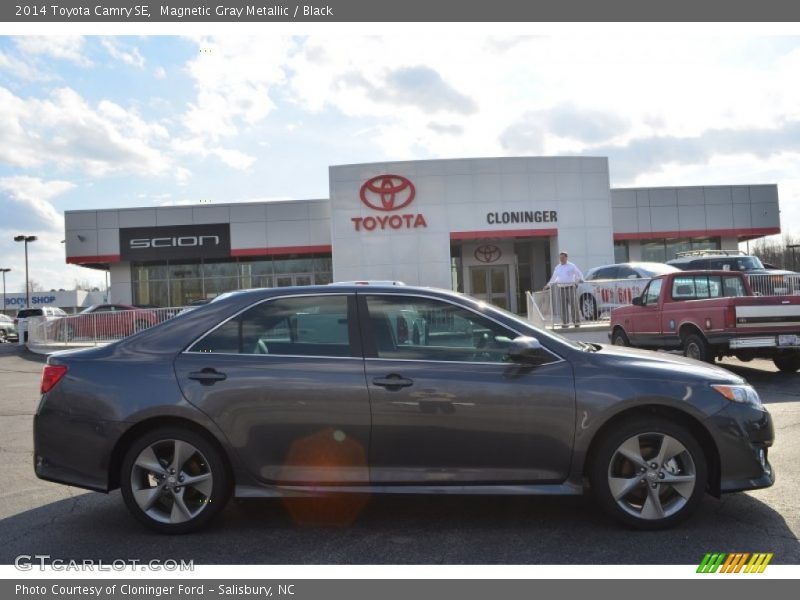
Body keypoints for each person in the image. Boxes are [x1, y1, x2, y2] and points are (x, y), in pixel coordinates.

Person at [545, 251, 584, 328]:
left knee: (574, 306)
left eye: (562, 258)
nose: (561, 259)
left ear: (566, 257)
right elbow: (554, 277)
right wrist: (548, 285)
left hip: (570, 288)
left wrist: (579, 281)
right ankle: (565, 323)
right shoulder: (558, 267)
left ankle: (576, 322)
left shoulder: (571, 266)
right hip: (561, 288)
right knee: (563, 307)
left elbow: (579, 274)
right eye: (560, 258)